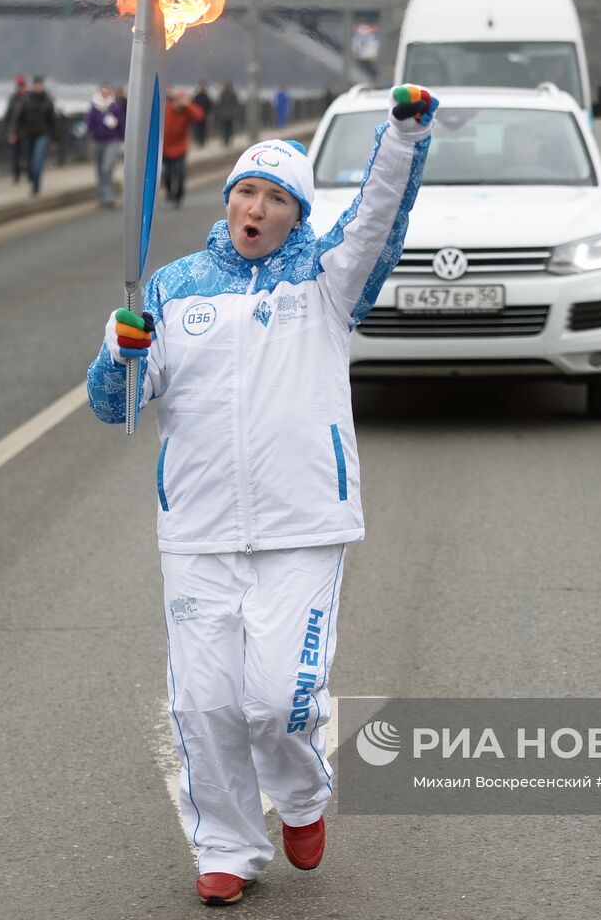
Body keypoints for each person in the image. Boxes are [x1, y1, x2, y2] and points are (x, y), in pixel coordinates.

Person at [86, 84, 439, 908]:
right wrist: (121, 351)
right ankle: (227, 847)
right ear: (228, 199)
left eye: (276, 197)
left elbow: (380, 214)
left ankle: (303, 797)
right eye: (246, 190)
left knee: (278, 699)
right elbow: (118, 408)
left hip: (301, 526)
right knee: (207, 705)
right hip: (200, 533)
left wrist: (405, 133)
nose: (257, 206)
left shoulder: (326, 281)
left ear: (296, 214)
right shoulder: (169, 288)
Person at [9, 75, 56, 195]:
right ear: (33, 86)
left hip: (42, 133)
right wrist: (14, 132)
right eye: (37, 85)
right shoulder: (26, 100)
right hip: (27, 134)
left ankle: (36, 184)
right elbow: (17, 118)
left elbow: (52, 121)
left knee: (38, 160)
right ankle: (31, 178)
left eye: (41, 85)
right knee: (29, 161)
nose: (39, 87)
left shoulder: (48, 101)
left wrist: (54, 139)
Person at [161, 89, 205, 209]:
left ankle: (179, 196)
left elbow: (199, 116)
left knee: (181, 173)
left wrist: (187, 106)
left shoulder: (187, 112)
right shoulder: (166, 110)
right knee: (168, 174)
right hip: (165, 148)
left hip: (180, 149)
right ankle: (170, 192)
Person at [86, 82, 125, 207]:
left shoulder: (115, 107)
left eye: (107, 90)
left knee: (106, 168)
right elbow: (89, 123)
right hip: (97, 141)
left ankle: (109, 196)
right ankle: (101, 197)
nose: (105, 92)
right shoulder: (94, 106)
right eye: (103, 90)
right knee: (99, 170)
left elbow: (122, 124)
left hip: (112, 141)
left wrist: (123, 139)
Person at [5, 75, 28, 184]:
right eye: (19, 86)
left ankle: (28, 173)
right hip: (15, 131)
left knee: (26, 154)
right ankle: (16, 175)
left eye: (22, 85)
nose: (20, 88)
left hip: (27, 132)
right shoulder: (13, 99)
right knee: (15, 155)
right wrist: (10, 132)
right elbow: (9, 117)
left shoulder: (29, 98)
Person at [215, 81, 240, 147]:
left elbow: (219, 104)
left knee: (227, 129)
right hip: (226, 115)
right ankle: (226, 141)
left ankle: (227, 141)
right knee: (226, 129)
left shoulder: (225, 94)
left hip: (227, 115)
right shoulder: (229, 94)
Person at [192, 81, 214, 148]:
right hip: (197, 115)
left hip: (204, 115)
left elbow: (210, 106)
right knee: (198, 129)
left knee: (202, 129)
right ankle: (199, 141)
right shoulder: (198, 96)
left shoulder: (205, 96)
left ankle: (201, 142)